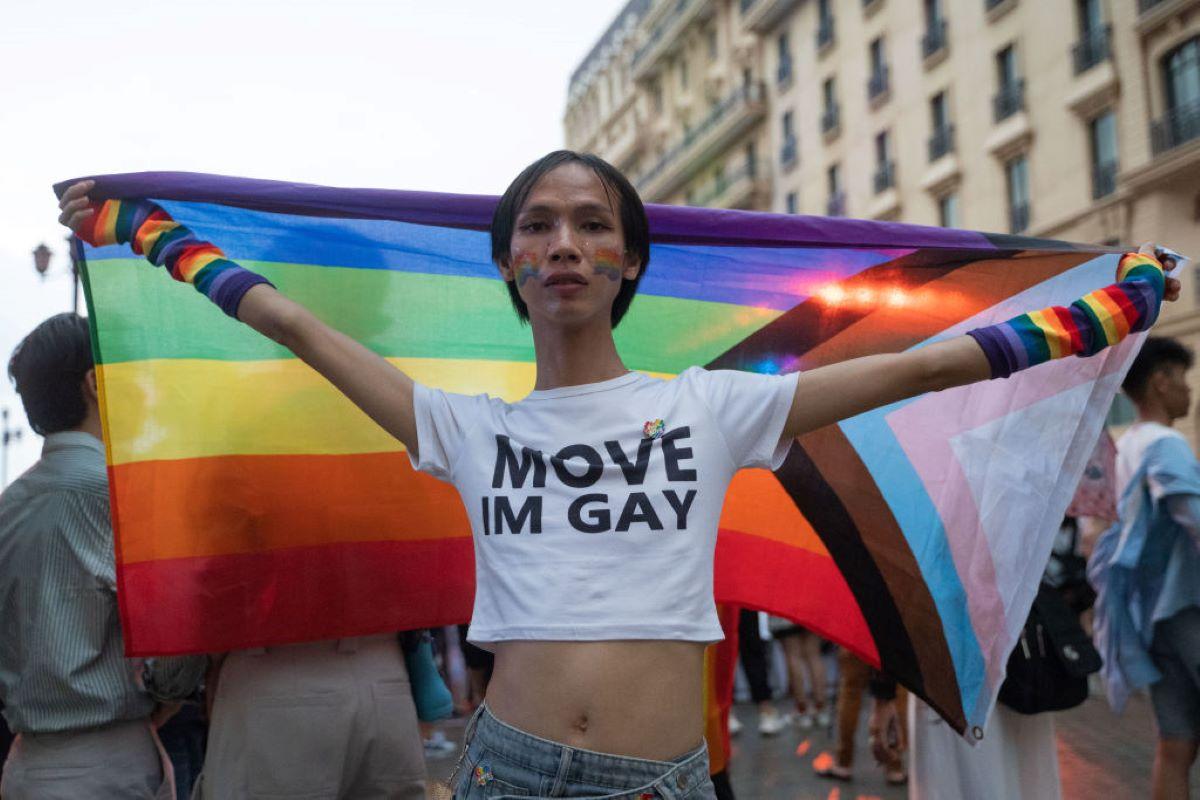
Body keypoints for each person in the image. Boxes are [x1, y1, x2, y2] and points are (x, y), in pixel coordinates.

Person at [58, 152, 1177, 798]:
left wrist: (1106, 309)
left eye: (592, 225)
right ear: (509, 262)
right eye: (537, 226)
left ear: (628, 259)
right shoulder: (466, 427)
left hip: (664, 781)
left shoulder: (713, 404)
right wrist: (142, 229)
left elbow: (926, 360)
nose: (563, 243)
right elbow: (298, 324)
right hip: (505, 771)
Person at [0, 313, 207, 799]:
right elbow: (177, 648)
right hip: (111, 763)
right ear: (95, 383)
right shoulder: (121, 496)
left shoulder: (9, 505)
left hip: (27, 763)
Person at [1090, 336, 1200, 800]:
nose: (1189, 392)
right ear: (1160, 382)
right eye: (1183, 380)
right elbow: (1192, 515)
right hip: (1187, 605)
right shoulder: (1165, 443)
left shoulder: (1128, 444)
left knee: (1175, 743)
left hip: (1149, 613)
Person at [817, 653, 907, 785]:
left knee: (851, 689)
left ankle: (843, 762)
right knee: (895, 692)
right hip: (891, 644)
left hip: (857, 639)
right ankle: (895, 764)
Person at [768, 619, 830, 730]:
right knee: (814, 655)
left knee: (793, 655)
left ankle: (802, 708)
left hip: (786, 614)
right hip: (810, 609)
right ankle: (820, 707)